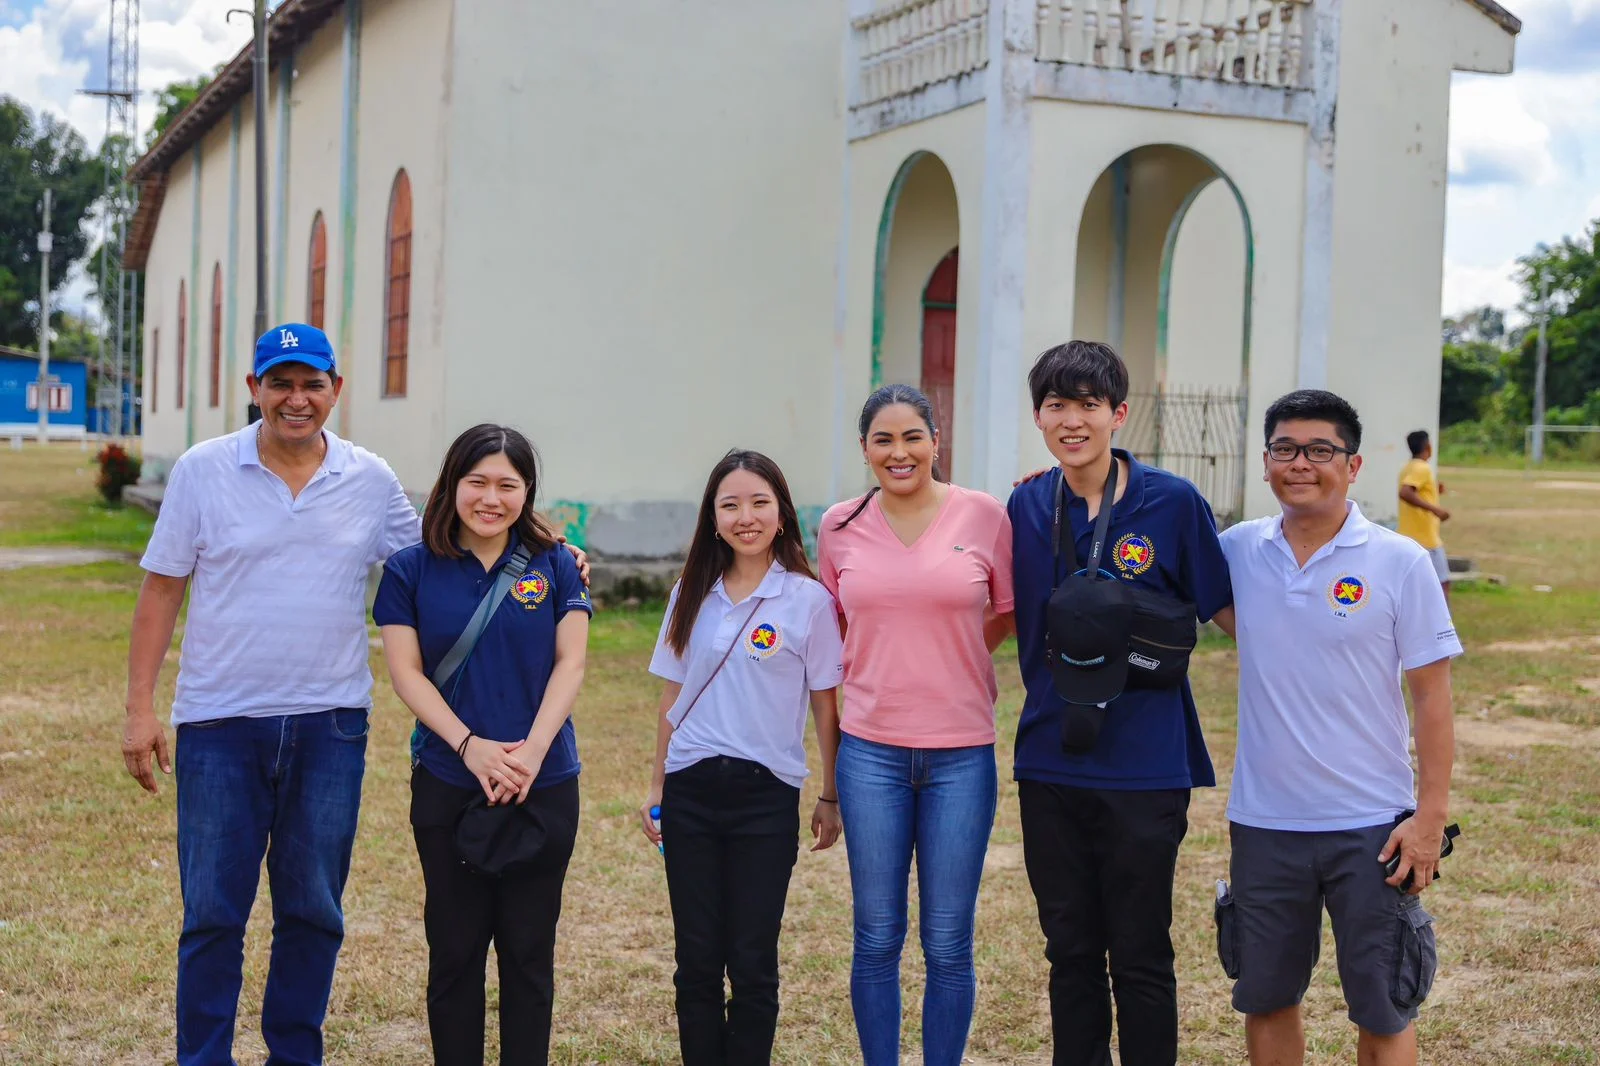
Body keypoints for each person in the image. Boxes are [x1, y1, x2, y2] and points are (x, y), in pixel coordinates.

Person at [119, 323, 428, 1066]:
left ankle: (295, 1055)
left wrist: (544, 548)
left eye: (311, 383)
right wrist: (139, 710)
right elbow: (162, 590)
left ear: (335, 391)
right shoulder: (202, 469)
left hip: (331, 726)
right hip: (220, 726)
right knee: (214, 916)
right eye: (280, 383)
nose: (296, 399)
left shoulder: (370, 479)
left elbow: (430, 566)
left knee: (313, 913)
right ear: (253, 389)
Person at [1005, 341, 1234, 1066]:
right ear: (1039, 415)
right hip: (1051, 759)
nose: (1073, 420)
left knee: (1139, 953)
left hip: (1146, 765)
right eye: (1057, 405)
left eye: (1089, 405)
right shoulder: (1026, 502)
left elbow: (1230, 612)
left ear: (1119, 413)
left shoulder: (1171, 503)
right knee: (1068, 952)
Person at [1216, 390, 1460, 1066]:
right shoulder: (1236, 552)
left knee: (1385, 1004)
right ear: (1266, 463)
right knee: (1266, 1000)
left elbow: (1433, 697)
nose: (1302, 463)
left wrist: (1429, 819)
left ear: (1352, 466)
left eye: (1321, 450)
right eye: (1286, 449)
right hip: (1265, 825)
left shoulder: (1397, 561)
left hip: (1372, 827)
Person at [374, 424, 591, 1066]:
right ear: (452, 484)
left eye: (508, 484)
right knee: (455, 954)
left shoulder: (555, 563)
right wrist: (470, 746)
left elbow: (570, 665)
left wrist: (528, 753)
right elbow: (405, 672)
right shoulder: (410, 568)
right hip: (448, 779)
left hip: (543, 783)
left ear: (527, 492)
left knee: (529, 957)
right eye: (477, 482)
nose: (490, 498)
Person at [815, 384, 1015, 1066]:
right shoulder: (838, 525)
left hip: (962, 755)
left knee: (948, 940)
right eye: (883, 440)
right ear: (866, 450)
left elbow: (1004, 612)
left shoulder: (985, 516)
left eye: (912, 437)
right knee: (875, 936)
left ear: (936, 441)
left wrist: (947, 659)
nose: (899, 452)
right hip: (869, 754)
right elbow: (837, 625)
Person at [638, 448, 844, 1066]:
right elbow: (671, 700)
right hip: (692, 791)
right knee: (696, 958)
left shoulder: (807, 600)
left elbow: (825, 707)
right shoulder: (690, 593)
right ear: (713, 516)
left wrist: (830, 794)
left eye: (759, 502)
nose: (745, 516)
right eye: (730, 504)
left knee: (753, 959)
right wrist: (656, 787)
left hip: (766, 798)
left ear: (781, 513)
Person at [1398, 429, 1451, 604]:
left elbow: (1415, 492)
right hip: (1426, 539)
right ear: (1429, 446)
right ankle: (1443, 626)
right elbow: (1405, 492)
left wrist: (1436, 491)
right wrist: (1436, 510)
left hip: (1408, 535)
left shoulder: (1408, 467)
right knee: (1442, 583)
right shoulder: (1422, 468)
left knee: (1414, 587)